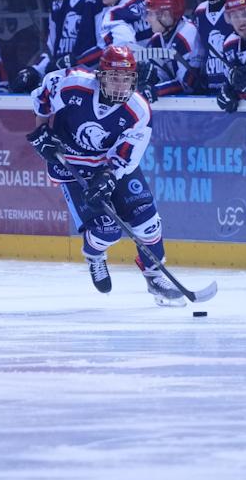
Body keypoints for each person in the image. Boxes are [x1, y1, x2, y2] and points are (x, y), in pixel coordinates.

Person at [26, 45, 183, 306]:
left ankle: (155, 276)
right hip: (72, 165)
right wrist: (42, 131)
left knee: (147, 220)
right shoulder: (74, 84)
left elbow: (126, 155)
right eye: (114, 77)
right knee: (106, 231)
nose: (121, 85)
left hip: (110, 165)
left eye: (126, 78)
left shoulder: (139, 110)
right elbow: (43, 95)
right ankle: (95, 256)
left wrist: (109, 176)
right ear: (100, 76)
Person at [10, 0, 105, 93]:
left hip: (88, 84)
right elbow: (51, 49)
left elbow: (104, 48)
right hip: (60, 82)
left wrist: (74, 61)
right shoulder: (60, 2)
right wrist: (35, 70)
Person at [135, 0, 203, 103]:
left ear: (166, 15)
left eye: (150, 14)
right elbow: (164, 77)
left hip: (201, 105)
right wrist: (150, 79)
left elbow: (188, 84)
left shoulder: (188, 36)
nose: (147, 19)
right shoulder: (157, 39)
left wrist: (156, 91)